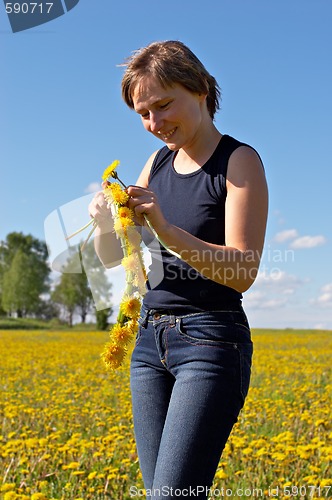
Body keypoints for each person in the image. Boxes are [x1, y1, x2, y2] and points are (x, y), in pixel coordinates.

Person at [89, 40, 268, 500]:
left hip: (210, 342)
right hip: (149, 343)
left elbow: (243, 269)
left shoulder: (238, 162)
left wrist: (165, 228)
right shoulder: (157, 163)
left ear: (202, 89)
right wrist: (105, 224)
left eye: (163, 106)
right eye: (143, 114)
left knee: (173, 496)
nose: (154, 124)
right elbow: (114, 256)